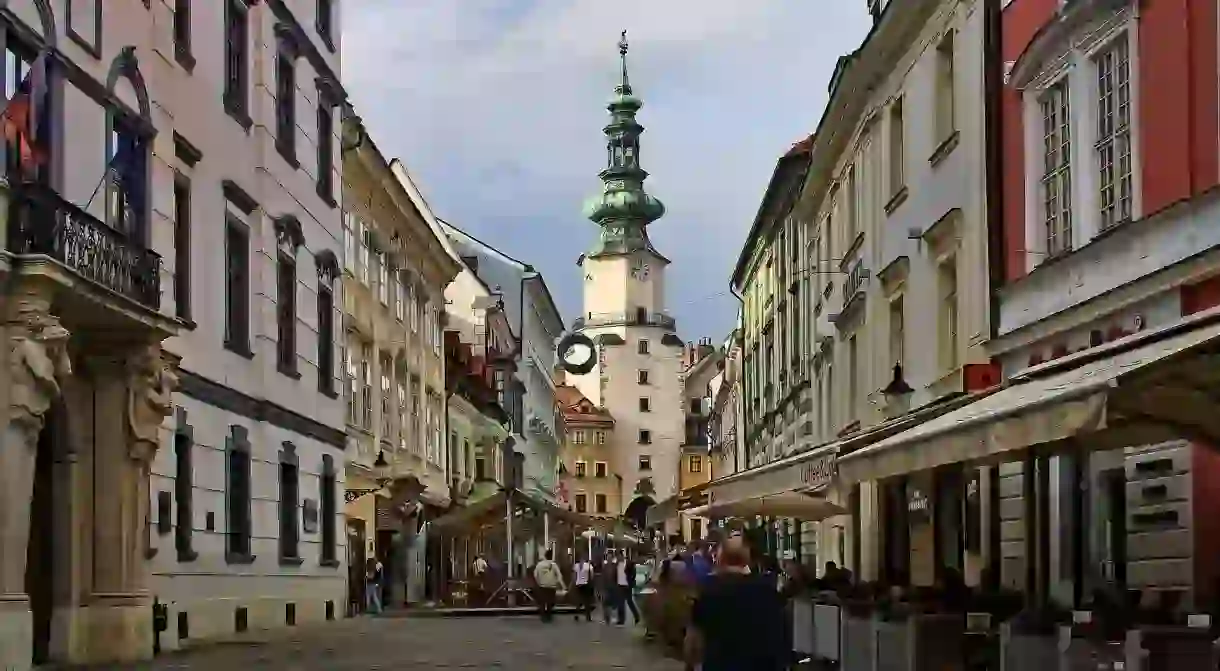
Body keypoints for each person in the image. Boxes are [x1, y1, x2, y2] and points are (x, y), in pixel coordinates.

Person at [685, 537, 788, 671]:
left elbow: (694, 641)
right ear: (747, 560)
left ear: (720, 560)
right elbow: (780, 635)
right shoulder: (767, 591)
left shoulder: (708, 592)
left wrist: (690, 665)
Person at [532, 549, 566, 622]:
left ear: (545, 556)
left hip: (542, 586)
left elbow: (535, 575)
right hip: (552, 586)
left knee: (543, 601)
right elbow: (559, 576)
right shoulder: (554, 565)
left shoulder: (539, 565)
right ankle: (549, 616)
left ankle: (543, 616)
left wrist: (539, 582)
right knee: (550, 601)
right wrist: (559, 583)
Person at [616, 551, 640, 625]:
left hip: (627, 586)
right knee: (620, 603)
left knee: (629, 602)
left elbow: (633, 572)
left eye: (619, 556)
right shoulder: (617, 565)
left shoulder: (628, 563)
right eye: (617, 557)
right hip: (620, 585)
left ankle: (637, 616)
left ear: (622, 556)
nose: (618, 558)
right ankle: (621, 620)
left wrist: (631, 581)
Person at [572, 555, 595, 621]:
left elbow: (574, 575)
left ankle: (577, 614)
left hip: (579, 584)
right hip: (585, 584)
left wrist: (575, 582)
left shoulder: (576, 565)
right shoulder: (588, 566)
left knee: (579, 600)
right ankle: (588, 616)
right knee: (586, 601)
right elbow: (592, 575)